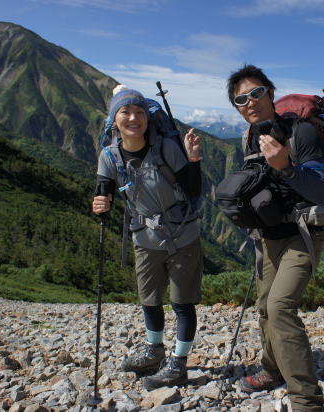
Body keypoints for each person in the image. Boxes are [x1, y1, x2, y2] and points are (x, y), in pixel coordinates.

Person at [226, 65, 324, 412]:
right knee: (264, 308)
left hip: (304, 233)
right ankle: (272, 370)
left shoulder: (301, 133)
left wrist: (286, 166)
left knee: (280, 307)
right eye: (241, 99)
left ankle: (307, 402)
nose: (250, 102)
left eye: (256, 93)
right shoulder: (250, 138)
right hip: (268, 235)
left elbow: (321, 192)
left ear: (270, 93)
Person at [92, 85, 203, 390]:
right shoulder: (109, 156)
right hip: (144, 239)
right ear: (114, 120)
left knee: (181, 302)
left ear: (147, 118)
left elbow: (193, 189)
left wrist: (193, 160)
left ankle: (178, 364)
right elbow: (103, 193)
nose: (134, 118)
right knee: (149, 300)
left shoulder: (165, 148)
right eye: (126, 112)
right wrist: (99, 204)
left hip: (182, 235)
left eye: (139, 112)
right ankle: (154, 351)